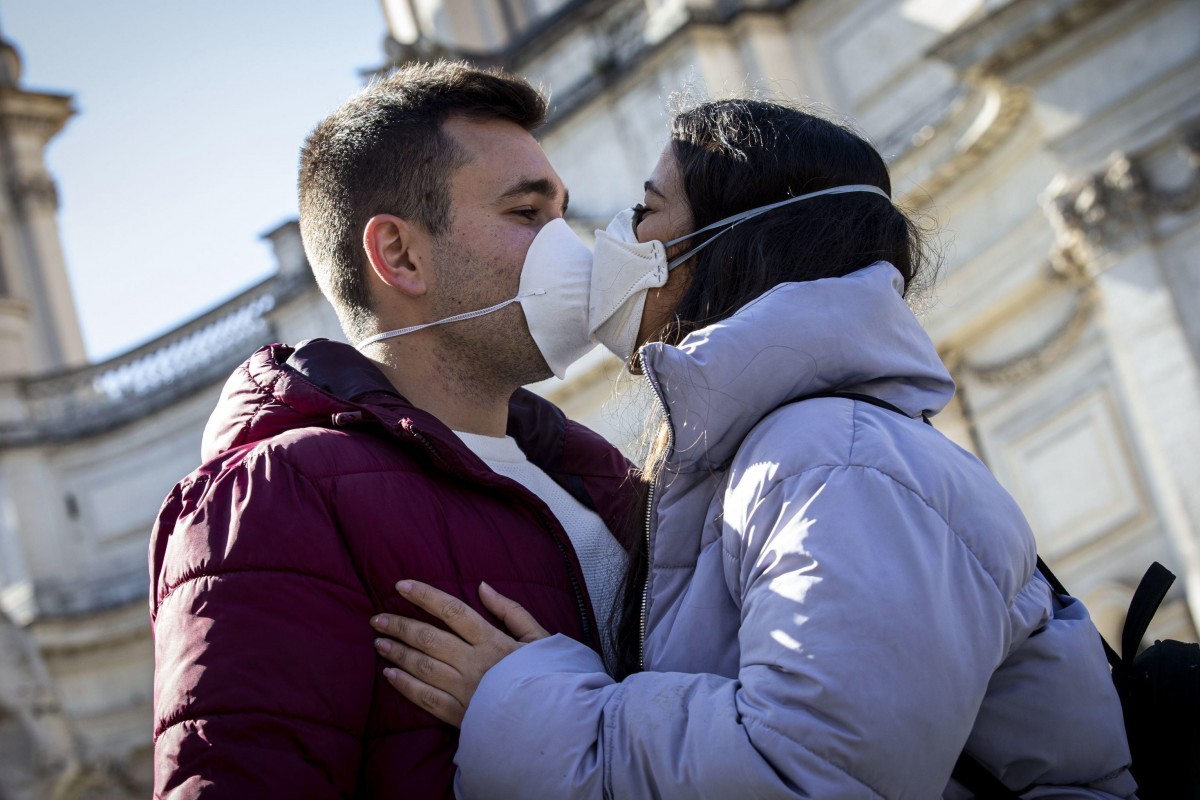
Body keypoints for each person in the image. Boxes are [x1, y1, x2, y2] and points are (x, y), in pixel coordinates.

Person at [369, 99, 1137, 797]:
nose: (611, 241)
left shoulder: (838, 462)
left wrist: (523, 701)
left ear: (722, 246)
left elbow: (806, 776)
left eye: (645, 211)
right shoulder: (795, 452)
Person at [147, 62, 635, 799]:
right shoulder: (272, 498)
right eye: (528, 215)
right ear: (400, 255)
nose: (570, 247)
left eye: (563, 213)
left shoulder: (603, 476)